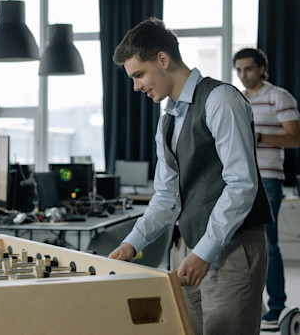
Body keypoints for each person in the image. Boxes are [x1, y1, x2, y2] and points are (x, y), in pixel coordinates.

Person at [108, 18, 273, 335]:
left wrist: (204, 251)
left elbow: (242, 186)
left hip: (231, 249)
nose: (136, 86)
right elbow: (167, 197)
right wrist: (131, 244)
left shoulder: (221, 100)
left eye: (139, 74)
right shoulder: (166, 121)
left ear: (163, 59)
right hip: (185, 251)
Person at [233, 47, 300, 330]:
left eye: (248, 68)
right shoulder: (236, 99)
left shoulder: (278, 96)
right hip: (239, 179)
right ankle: (251, 306)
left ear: (262, 68)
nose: (243, 74)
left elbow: (295, 138)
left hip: (268, 179)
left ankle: (275, 309)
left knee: (268, 244)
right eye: (238, 70)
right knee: (241, 245)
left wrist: (258, 135)